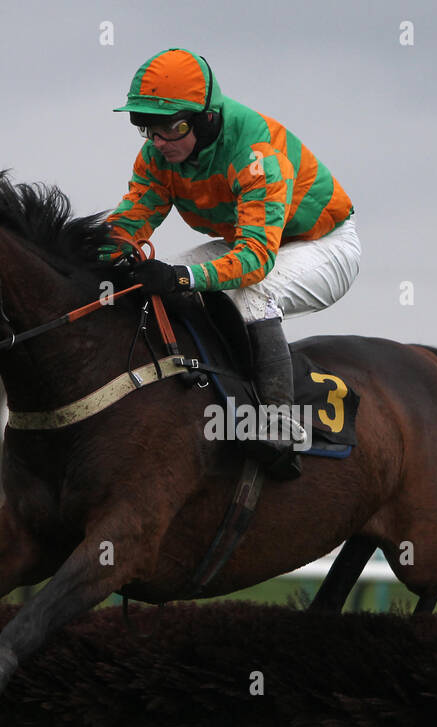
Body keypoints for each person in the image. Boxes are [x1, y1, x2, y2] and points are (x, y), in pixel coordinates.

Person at [102, 48, 359, 478]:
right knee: (165, 283)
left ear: (206, 120)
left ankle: (279, 422)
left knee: (246, 290)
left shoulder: (255, 152)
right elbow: (130, 224)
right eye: (145, 127)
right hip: (255, 242)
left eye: (172, 127)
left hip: (325, 246)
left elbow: (256, 260)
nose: (159, 141)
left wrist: (183, 277)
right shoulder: (158, 157)